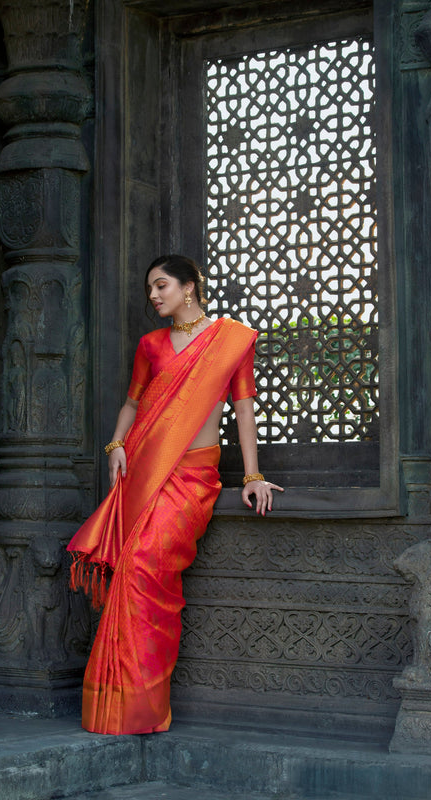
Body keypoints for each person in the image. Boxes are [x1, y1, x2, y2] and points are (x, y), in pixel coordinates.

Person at [67, 254, 284, 735]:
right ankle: (121, 705)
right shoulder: (150, 344)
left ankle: (141, 703)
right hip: (143, 466)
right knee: (130, 568)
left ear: (189, 287)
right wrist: (116, 445)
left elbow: (244, 411)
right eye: (150, 289)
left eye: (161, 285)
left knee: (145, 566)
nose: (153, 295)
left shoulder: (230, 341)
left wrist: (252, 476)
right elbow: (132, 404)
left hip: (193, 476)